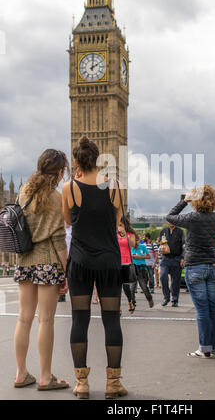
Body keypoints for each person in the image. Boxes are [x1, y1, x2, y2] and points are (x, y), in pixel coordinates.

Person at [62, 135, 127, 400]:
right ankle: (113, 384)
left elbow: (68, 221)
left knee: (80, 320)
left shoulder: (69, 188)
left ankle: (82, 384)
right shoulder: (115, 186)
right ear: (99, 159)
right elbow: (118, 221)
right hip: (109, 262)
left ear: (77, 161)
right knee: (112, 321)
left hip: (79, 263)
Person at [13, 149, 70, 390]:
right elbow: (59, 239)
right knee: (45, 320)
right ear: (58, 172)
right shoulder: (56, 198)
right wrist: (67, 271)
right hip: (48, 262)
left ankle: (21, 373)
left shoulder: (23, 192)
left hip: (24, 261)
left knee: (23, 318)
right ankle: (46, 377)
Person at [166, 186, 215, 358]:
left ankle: (204, 347)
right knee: (213, 308)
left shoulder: (192, 218)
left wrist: (184, 201)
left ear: (196, 200)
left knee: (202, 310)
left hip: (194, 267)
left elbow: (169, 217)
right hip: (211, 266)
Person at [159, 223, 184, 307]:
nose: (170, 222)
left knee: (175, 281)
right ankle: (166, 297)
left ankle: (175, 299)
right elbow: (160, 242)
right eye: (169, 220)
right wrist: (161, 245)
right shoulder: (163, 231)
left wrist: (183, 258)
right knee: (162, 276)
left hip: (177, 258)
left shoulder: (180, 232)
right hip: (165, 258)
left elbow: (184, 245)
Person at [117, 216, 136, 314]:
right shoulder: (115, 234)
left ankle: (130, 302)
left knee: (125, 286)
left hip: (126, 262)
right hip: (116, 262)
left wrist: (126, 235)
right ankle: (118, 307)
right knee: (117, 286)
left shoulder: (130, 234)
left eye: (121, 225)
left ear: (125, 225)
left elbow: (132, 244)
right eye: (118, 225)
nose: (119, 227)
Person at [131, 238, 154, 308]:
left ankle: (150, 299)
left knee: (143, 286)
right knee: (132, 288)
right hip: (133, 268)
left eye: (137, 240)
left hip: (141, 268)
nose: (136, 242)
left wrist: (139, 257)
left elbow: (148, 256)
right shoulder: (131, 247)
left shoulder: (143, 246)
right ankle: (133, 303)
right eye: (134, 240)